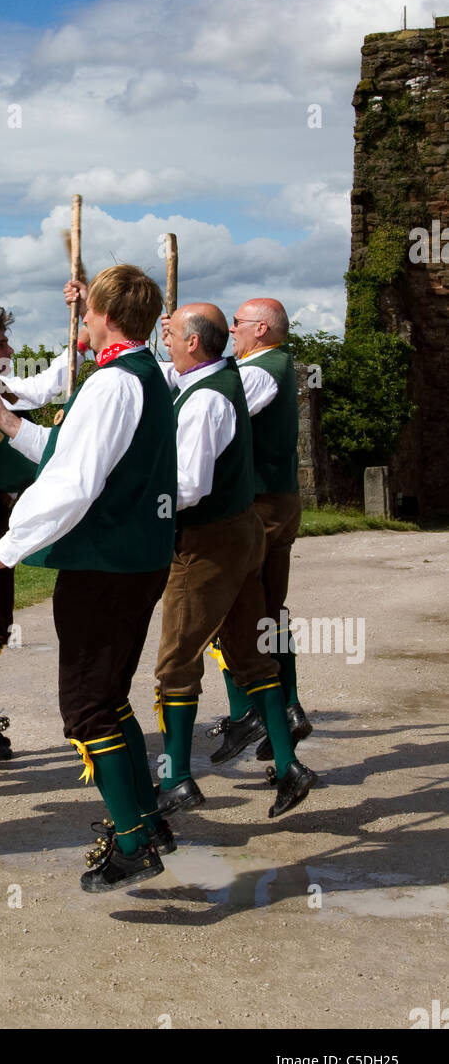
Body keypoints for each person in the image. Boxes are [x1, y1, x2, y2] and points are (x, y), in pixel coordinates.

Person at [0, 265, 177, 893]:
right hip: (132, 561)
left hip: (105, 566)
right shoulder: (143, 375)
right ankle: (147, 821)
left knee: (88, 707)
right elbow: (68, 448)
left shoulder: (113, 383)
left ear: (107, 316)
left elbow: (73, 483)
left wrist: (5, 547)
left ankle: (135, 843)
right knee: (109, 696)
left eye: (87, 313)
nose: (80, 321)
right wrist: (7, 422)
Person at [154, 304, 315, 821]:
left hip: (210, 539)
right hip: (242, 528)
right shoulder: (224, 377)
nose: (169, 343)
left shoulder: (216, 394)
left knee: (176, 662)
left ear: (195, 344)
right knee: (251, 652)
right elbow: (165, 373)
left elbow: (188, 487)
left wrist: (133, 500)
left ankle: (177, 778)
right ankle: (289, 766)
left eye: (174, 335)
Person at [0, 307, 85, 760]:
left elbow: (45, 387)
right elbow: (41, 390)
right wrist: (79, 342)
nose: (11, 351)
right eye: (2, 345)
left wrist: (79, 339)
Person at [205, 299, 313, 764]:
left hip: (262, 504)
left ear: (262, 329)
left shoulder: (261, 371)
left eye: (238, 325)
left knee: (235, 607)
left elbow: (221, 412)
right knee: (268, 612)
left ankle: (251, 712)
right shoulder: (267, 364)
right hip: (277, 500)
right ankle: (284, 710)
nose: (232, 330)